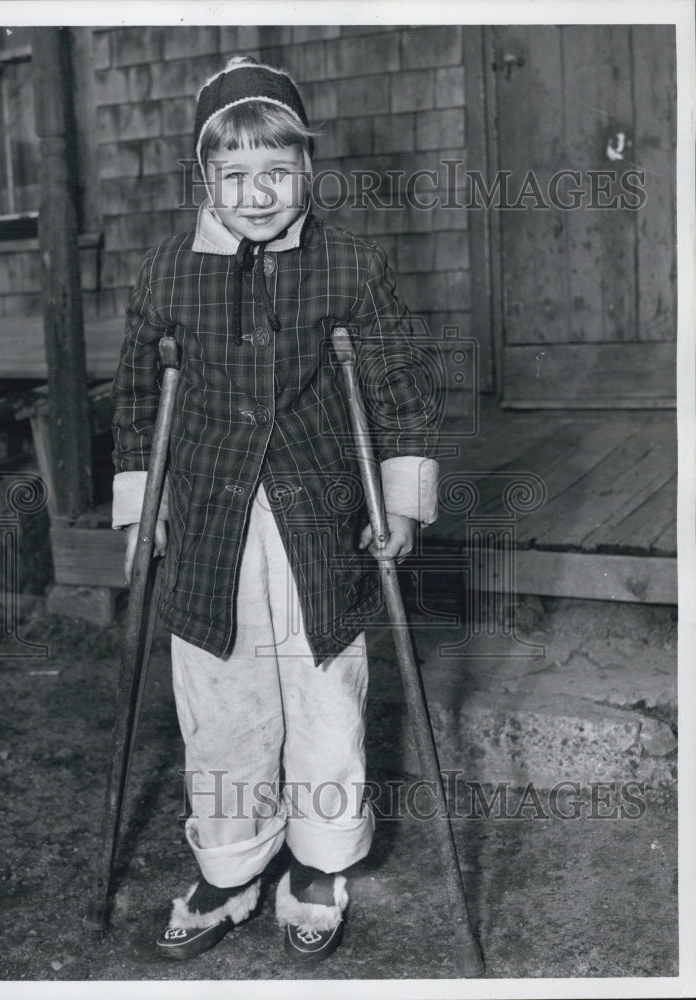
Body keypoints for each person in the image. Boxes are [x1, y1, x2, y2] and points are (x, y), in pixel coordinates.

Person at [111, 55, 439, 963]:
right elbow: (140, 402)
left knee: (326, 688)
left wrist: (403, 499)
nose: (259, 194)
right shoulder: (167, 275)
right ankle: (227, 864)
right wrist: (142, 507)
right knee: (220, 698)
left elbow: (400, 385)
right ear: (205, 180)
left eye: (278, 173)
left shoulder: (349, 264)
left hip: (320, 513)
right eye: (236, 176)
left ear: (308, 169)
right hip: (212, 520)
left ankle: (319, 862)